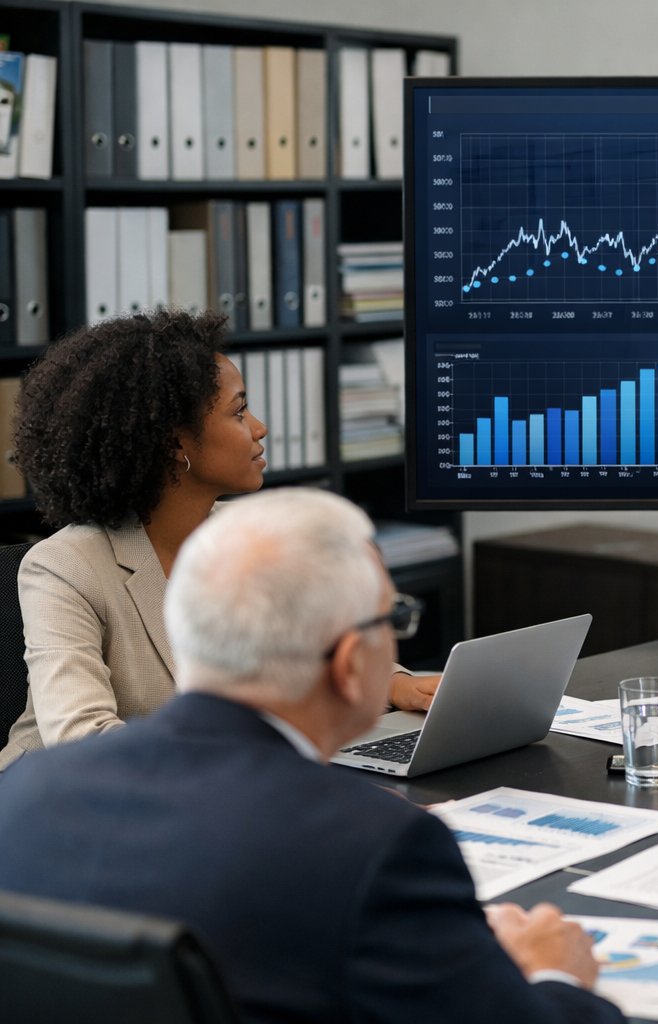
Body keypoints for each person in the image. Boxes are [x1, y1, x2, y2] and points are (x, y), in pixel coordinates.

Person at [0, 488, 622, 1024]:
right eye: (393, 619)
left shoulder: (23, 797)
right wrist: (556, 976)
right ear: (352, 667)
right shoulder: (377, 848)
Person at [0, 310, 436, 771]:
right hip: (69, 806)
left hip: (212, 787)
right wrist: (243, 770)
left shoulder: (248, 537)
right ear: (175, 444)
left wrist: (393, 684)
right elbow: (82, 740)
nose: (259, 427)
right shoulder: (66, 566)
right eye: (239, 410)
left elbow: (318, 641)